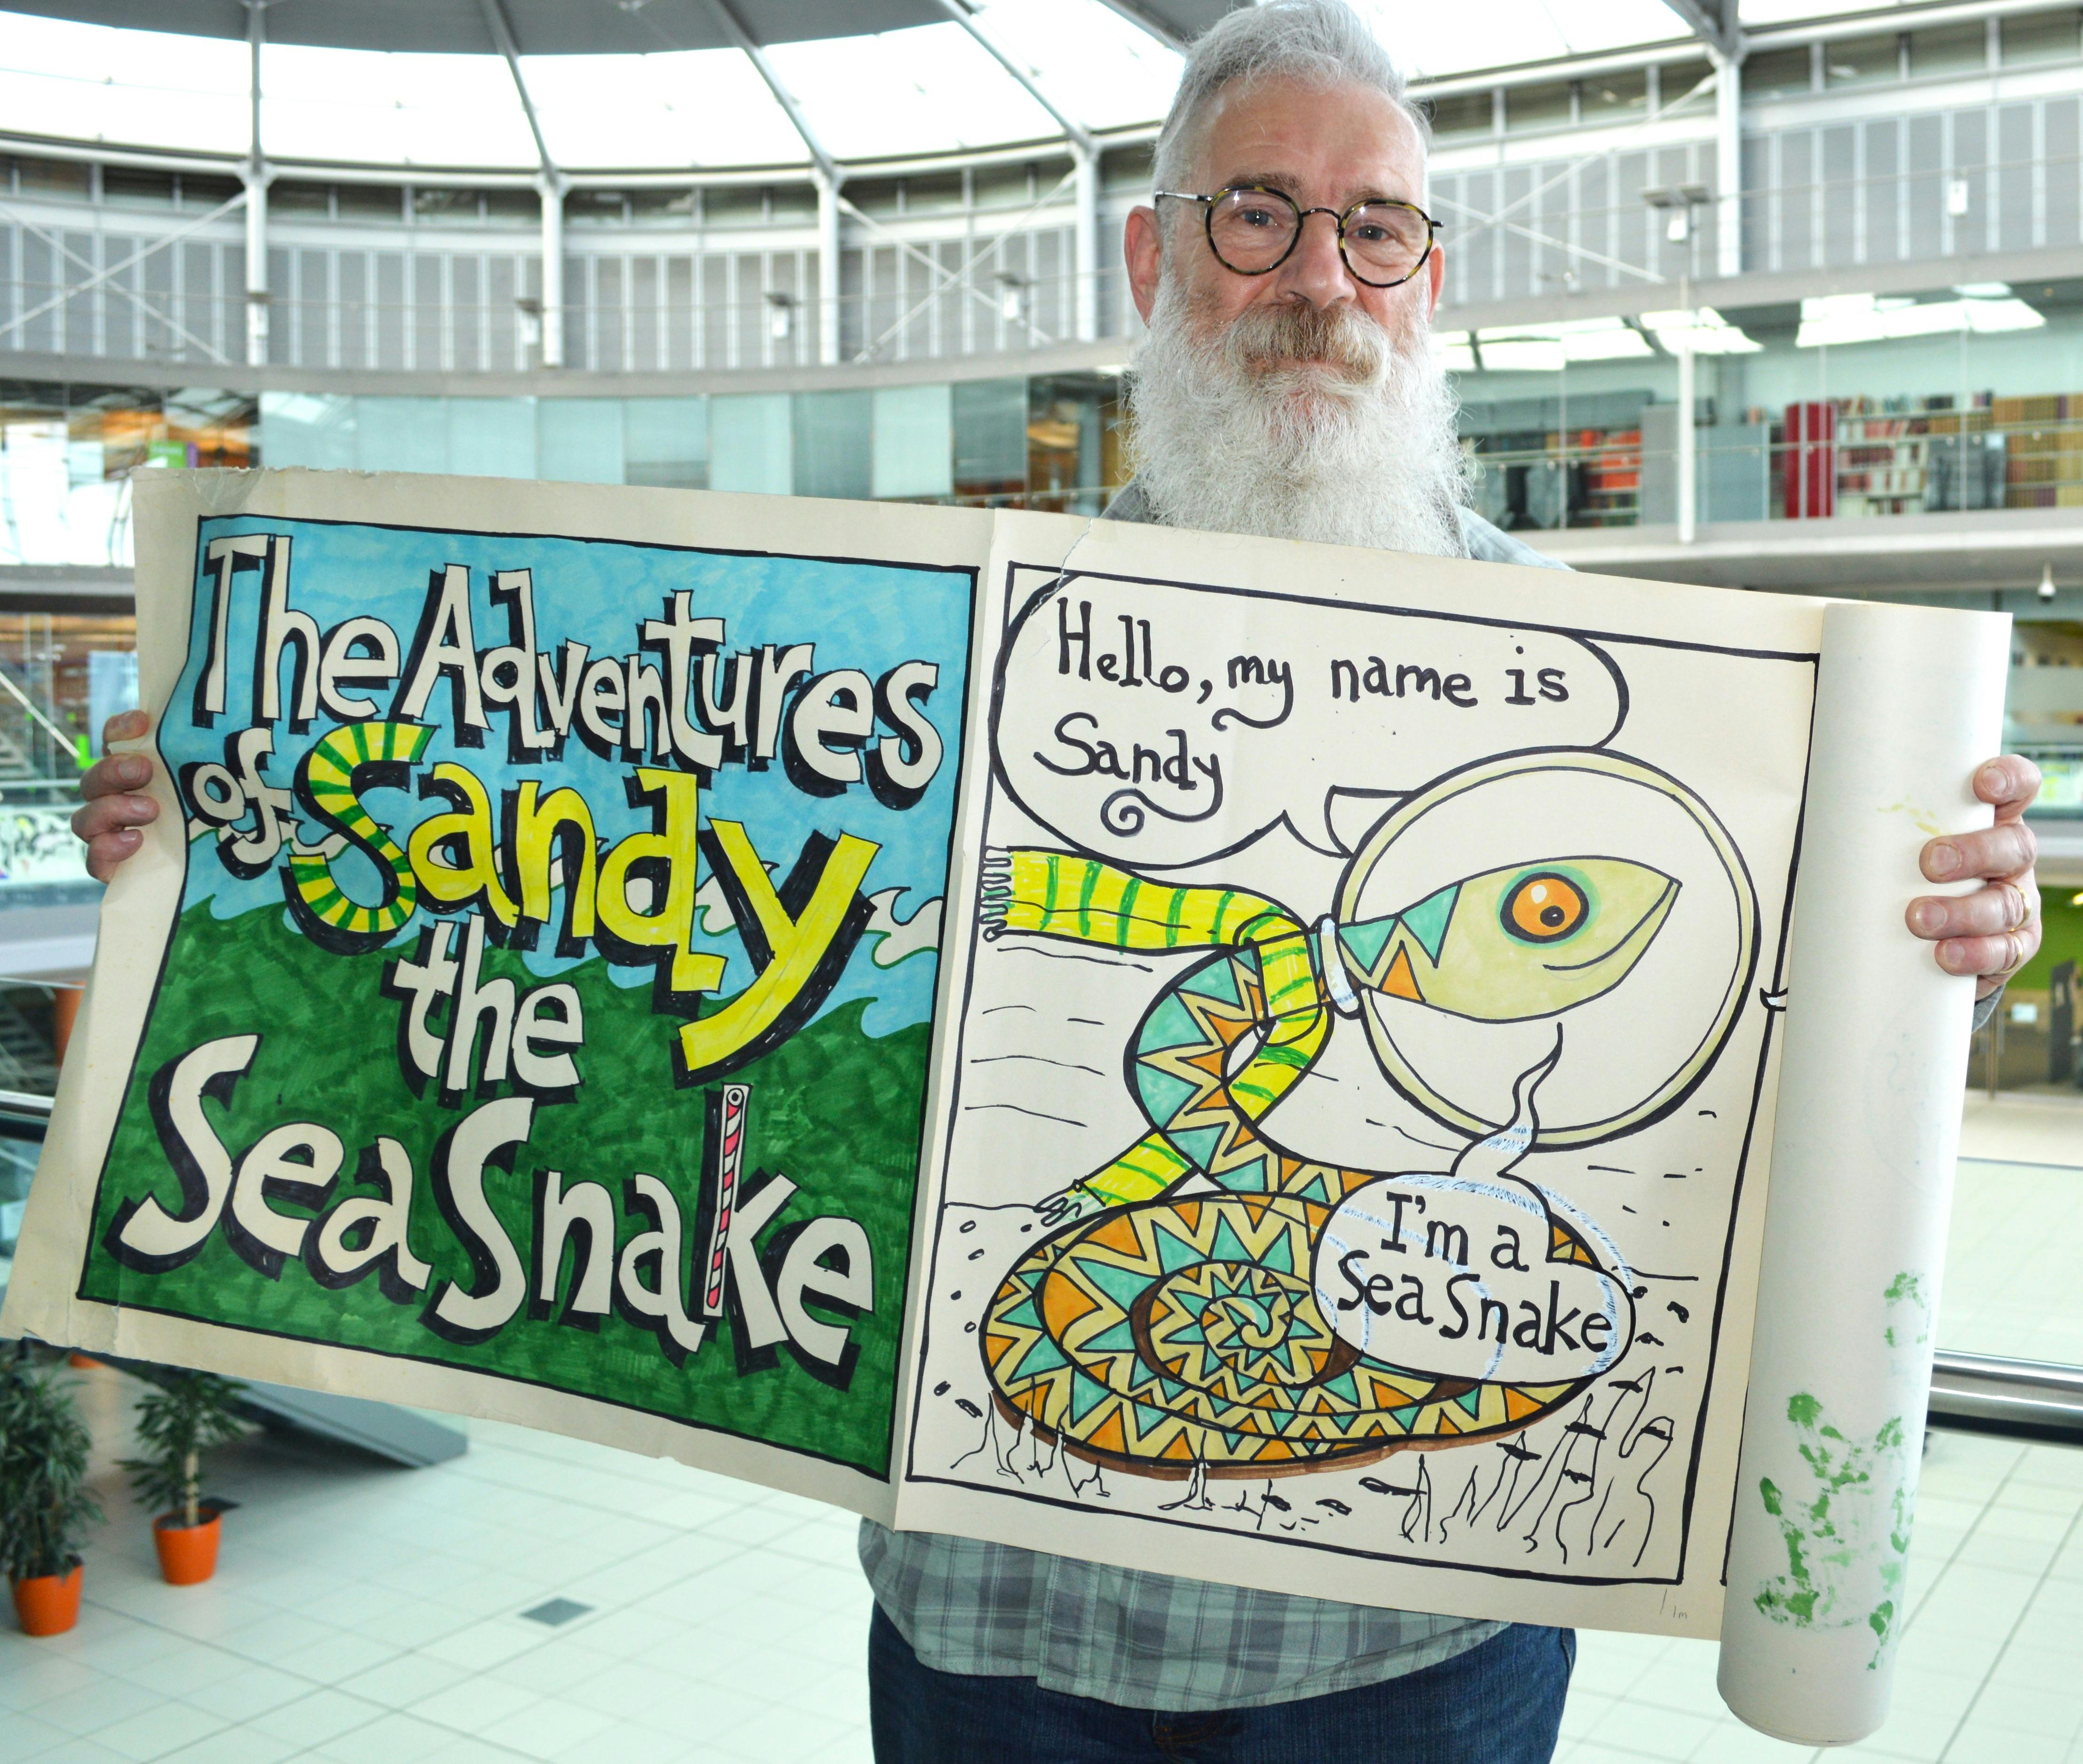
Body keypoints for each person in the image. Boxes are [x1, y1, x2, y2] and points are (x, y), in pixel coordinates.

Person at [73, 5, 2040, 1759]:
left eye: (1374, 230)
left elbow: (1750, 1082)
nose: (1317, 283)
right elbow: (592, 880)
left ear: (1430, 282)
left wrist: (1929, 932)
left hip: (1409, 1661)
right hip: (992, 1640)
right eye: (1255, 214)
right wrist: (232, 806)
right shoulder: (920, 669)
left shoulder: (1632, 730)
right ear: (1153, 252)